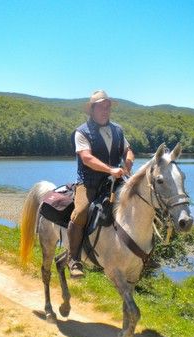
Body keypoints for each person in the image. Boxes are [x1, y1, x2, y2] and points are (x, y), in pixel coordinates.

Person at [68, 90, 135, 278]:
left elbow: (128, 150)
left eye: (108, 107)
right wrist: (110, 169)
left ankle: (141, 253)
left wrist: (128, 162)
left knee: (141, 203)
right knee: (81, 212)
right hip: (89, 183)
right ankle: (74, 260)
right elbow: (87, 158)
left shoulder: (117, 130)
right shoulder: (82, 132)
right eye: (101, 107)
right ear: (92, 109)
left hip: (116, 182)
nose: (105, 110)